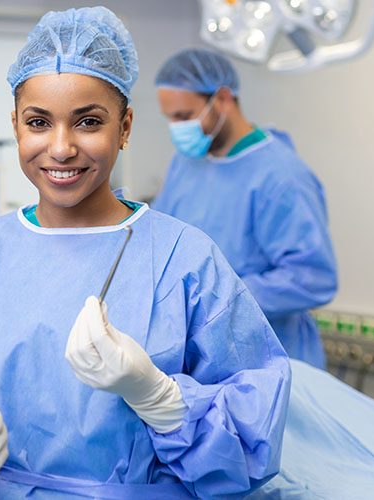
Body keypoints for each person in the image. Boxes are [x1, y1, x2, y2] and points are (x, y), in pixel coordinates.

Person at [0, 7, 290, 499]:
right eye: (38, 122)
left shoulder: (185, 258)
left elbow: (252, 439)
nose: (60, 148)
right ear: (15, 127)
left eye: (88, 122)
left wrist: (161, 400)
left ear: (125, 127)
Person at [152, 48, 338, 369]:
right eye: (170, 118)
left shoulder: (280, 176)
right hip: (205, 356)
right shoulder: (186, 164)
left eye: (183, 116)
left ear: (222, 99)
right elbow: (163, 239)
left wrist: (219, 297)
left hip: (269, 359)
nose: (176, 128)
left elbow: (312, 278)